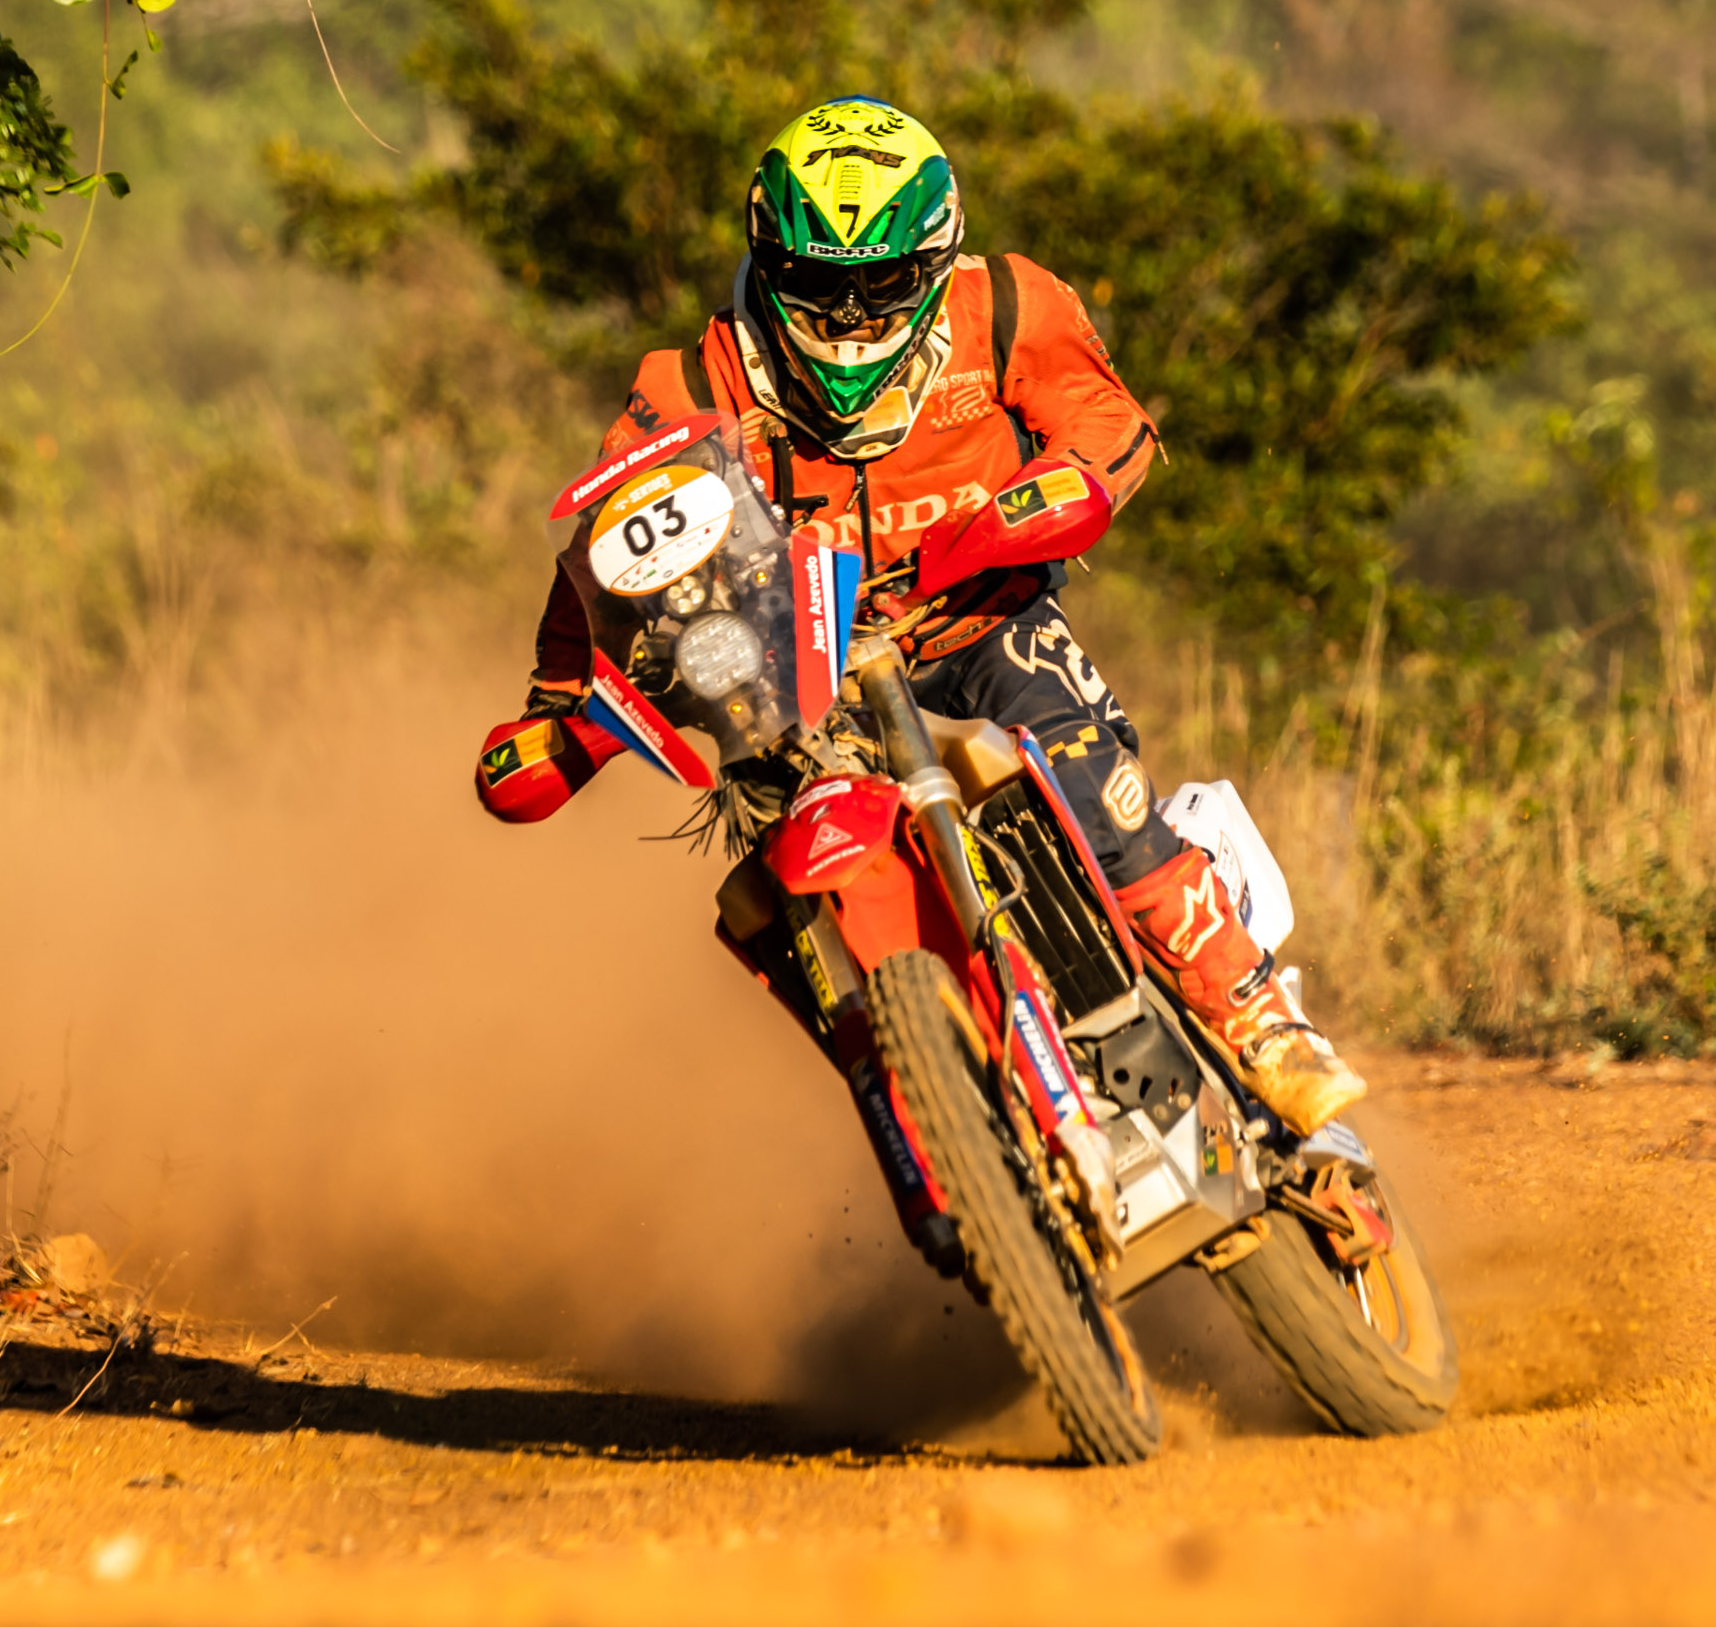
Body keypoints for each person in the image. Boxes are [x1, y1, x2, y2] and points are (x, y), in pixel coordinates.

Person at [499, 95, 1366, 1136]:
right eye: (821, 284)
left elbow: (1108, 427)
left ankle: (1255, 1014)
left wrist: (1031, 504)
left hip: (982, 619)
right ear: (770, 264)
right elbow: (608, 553)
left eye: (881, 285)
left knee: (1094, 788)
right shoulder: (688, 386)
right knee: (766, 902)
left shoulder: (1004, 305)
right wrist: (559, 708)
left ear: (934, 260)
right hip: (802, 693)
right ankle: (925, 1097)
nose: (851, 315)